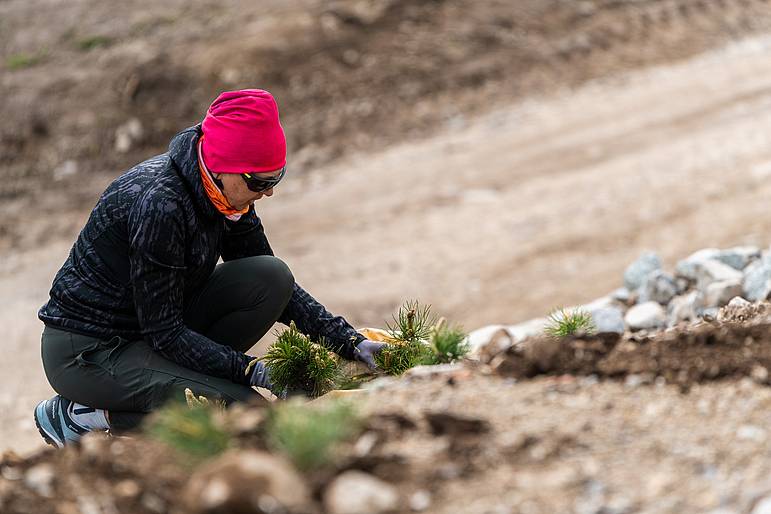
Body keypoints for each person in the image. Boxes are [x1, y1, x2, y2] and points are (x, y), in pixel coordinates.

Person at [33, 89, 385, 448]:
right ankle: (82, 414)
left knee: (271, 276)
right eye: (260, 182)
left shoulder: (226, 196)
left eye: (275, 178)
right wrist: (252, 371)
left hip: (150, 329)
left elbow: (273, 286)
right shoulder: (161, 205)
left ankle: (164, 382)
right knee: (243, 411)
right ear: (222, 165)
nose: (268, 193)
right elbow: (164, 332)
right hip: (92, 351)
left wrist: (349, 342)